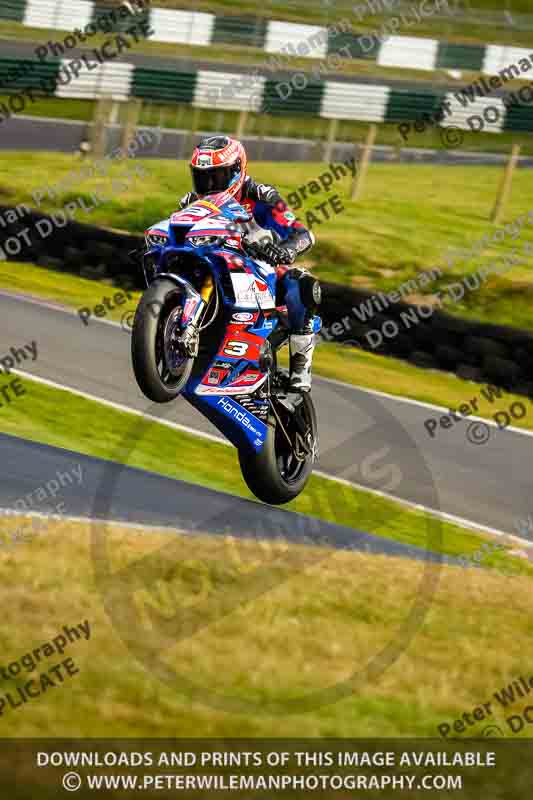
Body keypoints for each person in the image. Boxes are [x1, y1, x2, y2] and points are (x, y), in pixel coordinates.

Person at [178, 135, 321, 398]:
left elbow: (303, 233)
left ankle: (300, 368)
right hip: (209, 265)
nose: (209, 186)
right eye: (202, 177)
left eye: (216, 177)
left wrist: (285, 249)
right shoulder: (191, 202)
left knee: (303, 285)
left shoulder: (262, 196)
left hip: (256, 270)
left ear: (236, 171)